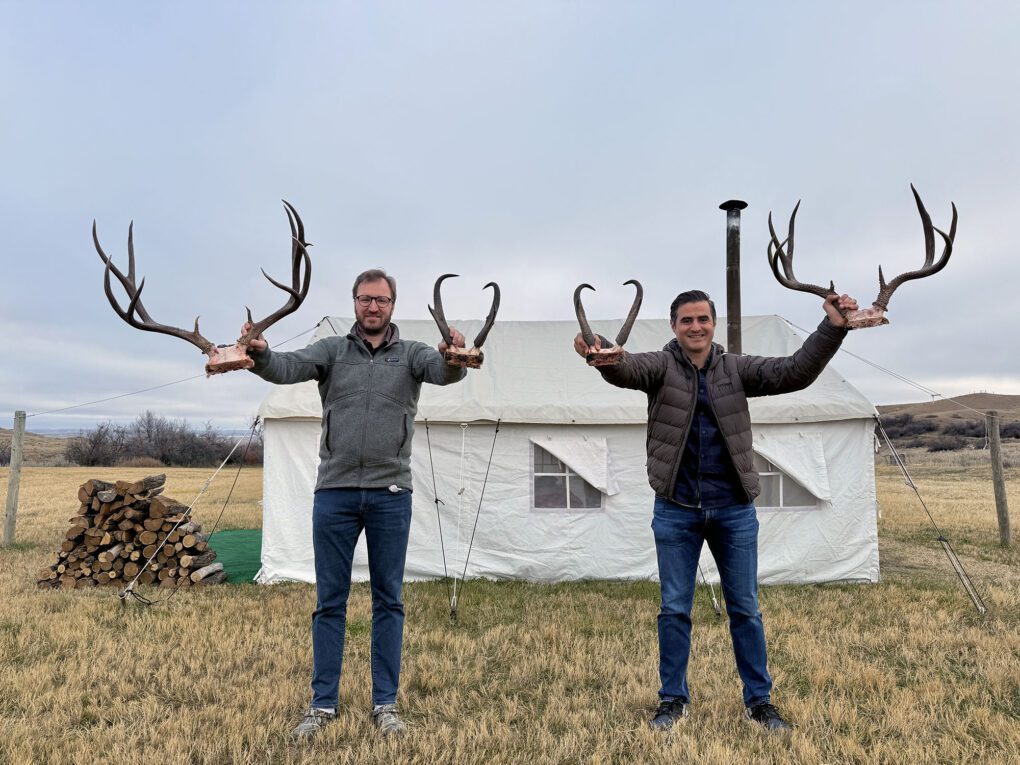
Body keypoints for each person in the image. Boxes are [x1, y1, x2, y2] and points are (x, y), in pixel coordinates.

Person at [573, 289, 858, 733]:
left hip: (734, 511)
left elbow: (795, 371)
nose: (696, 327)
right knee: (674, 609)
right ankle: (672, 700)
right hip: (676, 509)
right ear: (673, 326)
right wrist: (600, 350)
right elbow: (625, 368)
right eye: (686, 320)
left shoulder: (736, 369)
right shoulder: (660, 366)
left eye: (703, 319)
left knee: (745, 609)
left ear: (713, 323)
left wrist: (833, 327)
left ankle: (759, 702)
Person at [245, 268, 467, 740]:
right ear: (354, 302)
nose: (373, 307)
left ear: (393, 306)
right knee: (330, 602)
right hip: (335, 493)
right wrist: (261, 354)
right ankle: (322, 704)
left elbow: (444, 372)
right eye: (366, 299)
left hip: (391, 494)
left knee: (389, 600)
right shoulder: (331, 350)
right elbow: (286, 367)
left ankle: (385, 704)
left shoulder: (412, 354)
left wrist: (454, 355)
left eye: (382, 300)